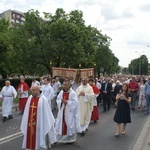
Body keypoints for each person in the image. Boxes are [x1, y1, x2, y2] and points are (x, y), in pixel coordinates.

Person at [20, 85, 57, 150]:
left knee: (39, 137)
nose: (32, 91)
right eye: (32, 90)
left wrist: (44, 123)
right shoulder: (30, 98)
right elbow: (27, 111)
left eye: (34, 90)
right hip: (31, 123)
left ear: (38, 90)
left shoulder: (43, 99)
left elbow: (47, 114)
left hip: (40, 123)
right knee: (31, 137)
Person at [55, 78, 81, 143]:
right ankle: (60, 139)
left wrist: (67, 102)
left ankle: (71, 139)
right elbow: (58, 100)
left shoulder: (73, 93)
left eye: (66, 85)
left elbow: (75, 103)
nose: (65, 86)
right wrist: (60, 101)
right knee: (61, 125)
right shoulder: (61, 92)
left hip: (69, 112)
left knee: (69, 125)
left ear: (69, 85)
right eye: (64, 85)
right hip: (62, 112)